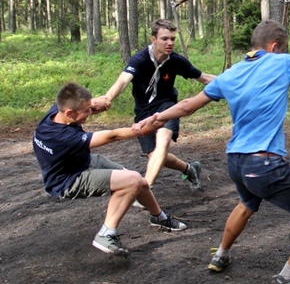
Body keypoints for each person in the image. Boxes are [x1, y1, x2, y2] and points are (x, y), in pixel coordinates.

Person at [136, 20, 290, 284]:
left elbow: (188, 105)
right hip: (264, 164)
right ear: (274, 46)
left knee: (247, 204)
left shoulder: (231, 73)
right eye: (283, 48)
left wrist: (156, 118)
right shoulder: (282, 62)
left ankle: (221, 255)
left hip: (236, 162)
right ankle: (287, 277)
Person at [32, 83, 187, 256]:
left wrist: (100, 102)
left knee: (140, 183)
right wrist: (145, 128)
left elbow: (87, 105)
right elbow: (113, 135)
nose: (90, 113)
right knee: (132, 181)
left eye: (90, 109)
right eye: (86, 111)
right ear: (70, 113)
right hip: (69, 180)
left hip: (83, 162)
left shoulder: (57, 112)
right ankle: (106, 234)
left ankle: (159, 218)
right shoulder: (63, 137)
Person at [101, 19, 215, 192]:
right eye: (164, 39)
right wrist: (107, 98)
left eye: (172, 39)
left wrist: (234, 82)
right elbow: (123, 81)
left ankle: (144, 189)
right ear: (153, 39)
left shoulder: (176, 60)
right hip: (143, 111)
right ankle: (189, 168)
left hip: (167, 106)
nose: (170, 43)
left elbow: (204, 78)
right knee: (155, 155)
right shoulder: (140, 59)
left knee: (163, 142)